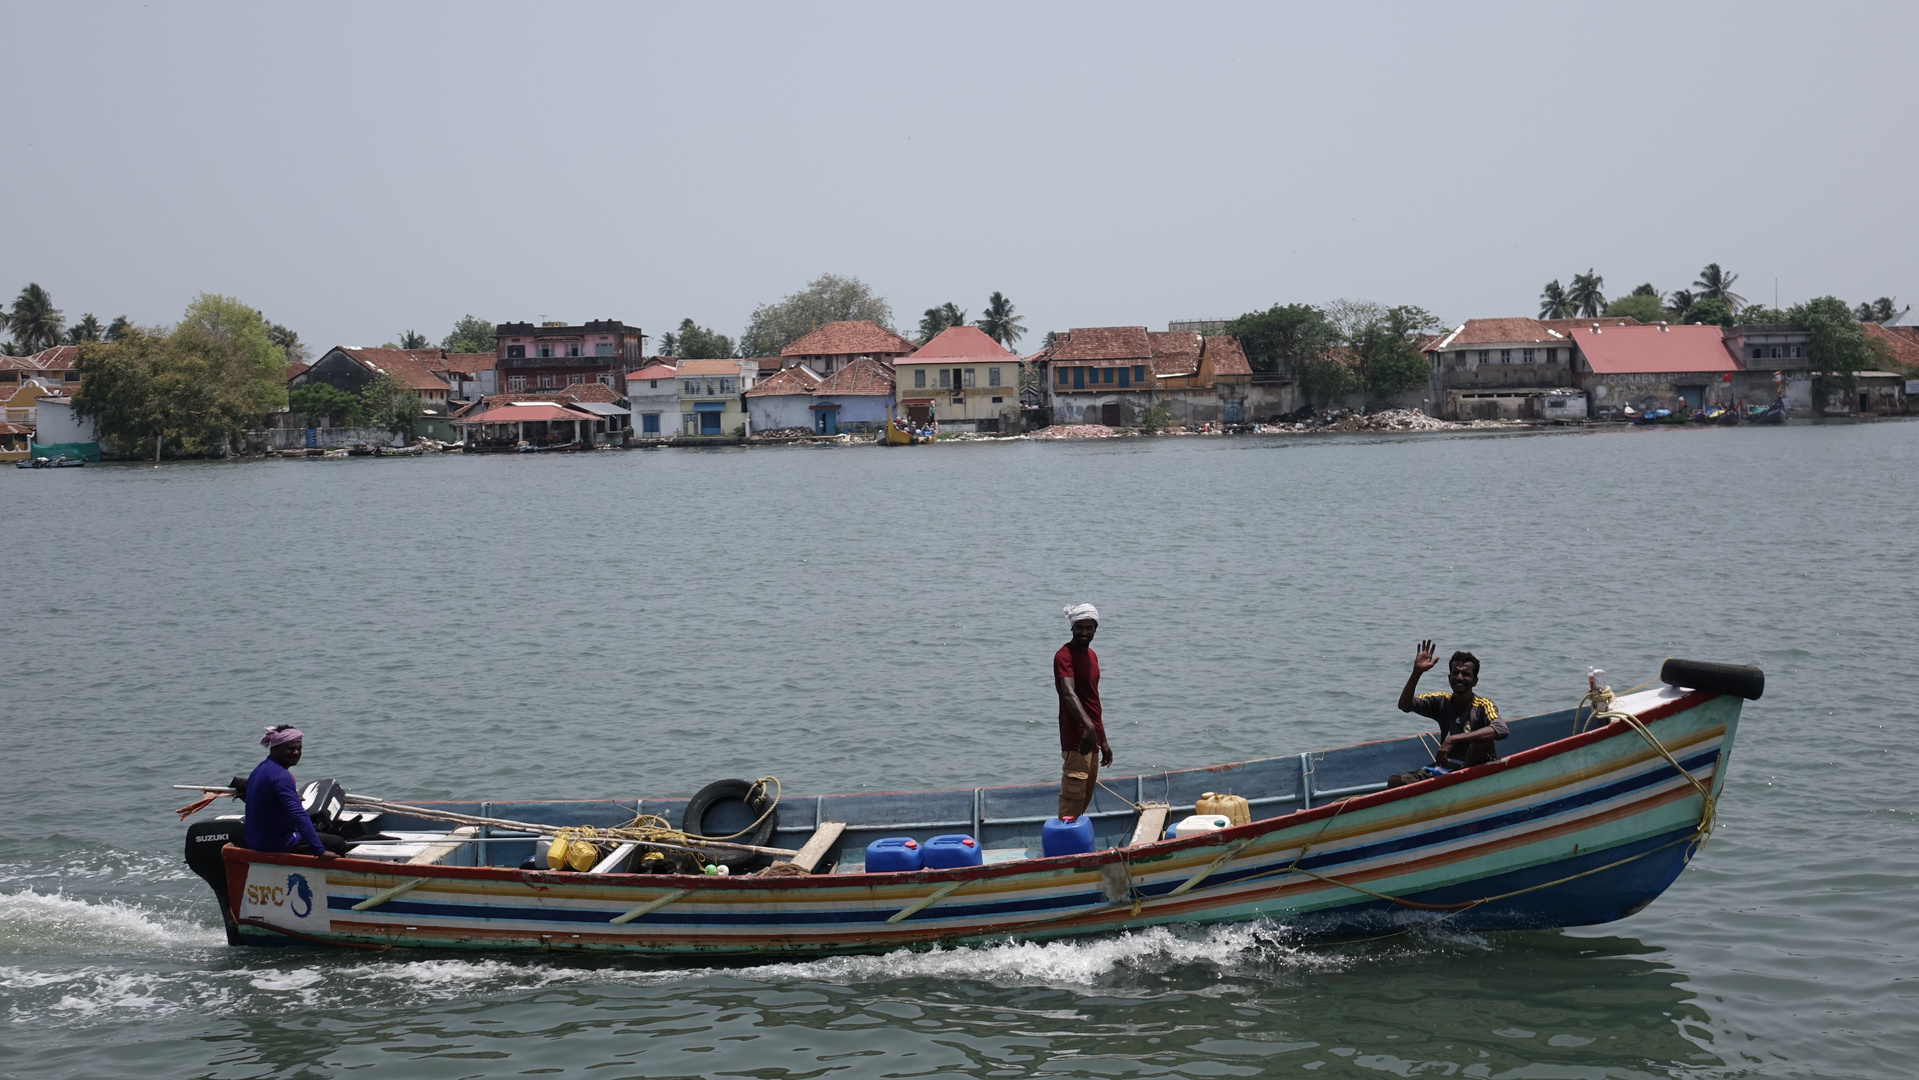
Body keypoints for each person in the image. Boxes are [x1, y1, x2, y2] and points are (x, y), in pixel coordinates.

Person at [1389, 639, 1506, 787]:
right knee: (1395, 781)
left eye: (1466, 674)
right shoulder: (1441, 701)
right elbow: (1405, 705)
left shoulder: (1483, 705)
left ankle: (1459, 782)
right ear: (1449, 678)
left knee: (1482, 741)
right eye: (1455, 673)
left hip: (1473, 768)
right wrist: (1416, 673)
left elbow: (1501, 729)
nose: (1459, 677)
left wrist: (1454, 739)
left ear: (1475, 681)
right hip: (1447, 767)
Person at [242, 726, 343, 858]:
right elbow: (298, 815)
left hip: (255, 840)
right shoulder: (282, 776)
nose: (296, 752)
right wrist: (320, 851)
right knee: (339, 843)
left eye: (299, 748)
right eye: (290, 748)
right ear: (275, 748)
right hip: (277, 843)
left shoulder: (260, 769)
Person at [1054, 603, 1112, 819]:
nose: (1084, 633)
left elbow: (1093, 701)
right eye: (1080, 628)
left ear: (1095, 629)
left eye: (1089, 628)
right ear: (1072, 628)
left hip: (1092, 739)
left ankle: (1073, 841)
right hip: (1076, 740)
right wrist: (1088, 727)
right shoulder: (1064, 656)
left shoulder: (1092, 657)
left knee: (1086, 795)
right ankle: (1062, 846)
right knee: (1072, 798)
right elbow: (1068, 693)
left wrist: (1102, 739)